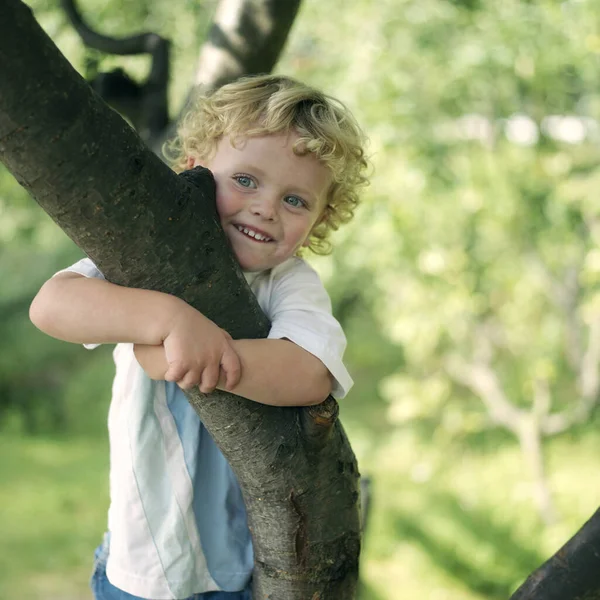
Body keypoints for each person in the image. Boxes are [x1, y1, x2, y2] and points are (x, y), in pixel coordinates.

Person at [29, 74, 369, 600]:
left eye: (296, 200)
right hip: (138, 565)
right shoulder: (148, 256)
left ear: (320, 219)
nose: (266, 208)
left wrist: (183, 359)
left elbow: (309, 371)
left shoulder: (287, 282)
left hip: (240, 570)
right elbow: (51, 306)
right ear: (195, 172)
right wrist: (167, 321)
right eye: (247, 181)